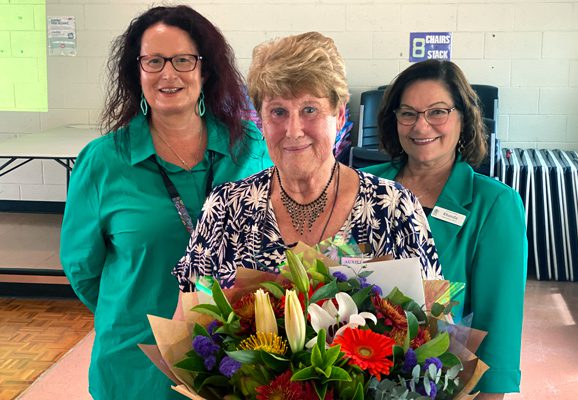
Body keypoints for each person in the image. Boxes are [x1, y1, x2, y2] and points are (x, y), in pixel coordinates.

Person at [60, 5, 271, 399]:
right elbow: (82, 270)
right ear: (136, 71)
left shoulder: (253, 148)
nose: (168, 74)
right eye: (153, 61)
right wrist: (134, 310)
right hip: (136, 364)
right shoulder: (104, 161)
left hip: (240, 360)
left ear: (205, 70)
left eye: (183, 60)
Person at [172, 31, 442, 301]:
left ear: (338, 115)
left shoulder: (394, 208)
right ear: (261, 121)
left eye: (309, 110)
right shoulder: (225, 210)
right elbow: (189, 323)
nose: (293, 130)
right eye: (278, 112)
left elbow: (435, 322)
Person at [364, 59, 527, 398]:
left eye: (437, 112)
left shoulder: (494, 204)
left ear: (463, 119)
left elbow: (499, 323)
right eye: (407, 113)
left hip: (439, 385)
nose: (421, 127)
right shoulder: (365, 185)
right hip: (357, 372)